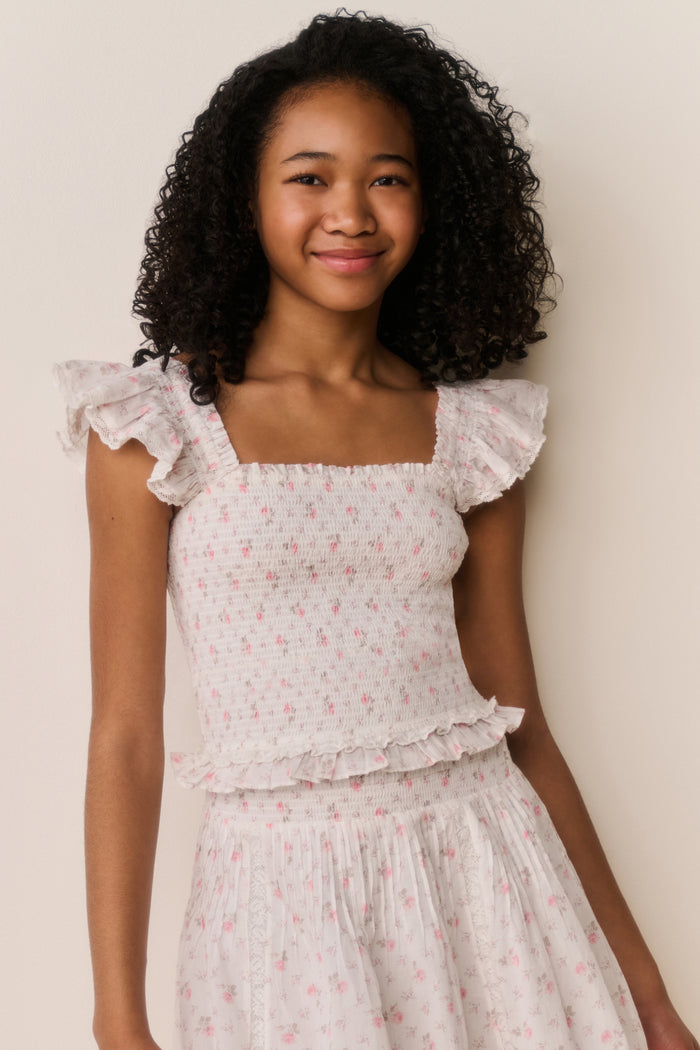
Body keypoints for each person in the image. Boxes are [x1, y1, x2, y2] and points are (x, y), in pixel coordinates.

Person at [54, 10, 697, 1050]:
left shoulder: (471, 434)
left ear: (431, 203)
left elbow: (520, 723)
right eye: (309, 176)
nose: (349, 211)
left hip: (488, 876)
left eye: (387, 177)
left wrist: (649, 994)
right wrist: (116, 1017)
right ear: (244, 201)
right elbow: (124, 737)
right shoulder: (155, 427)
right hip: (281, 908)